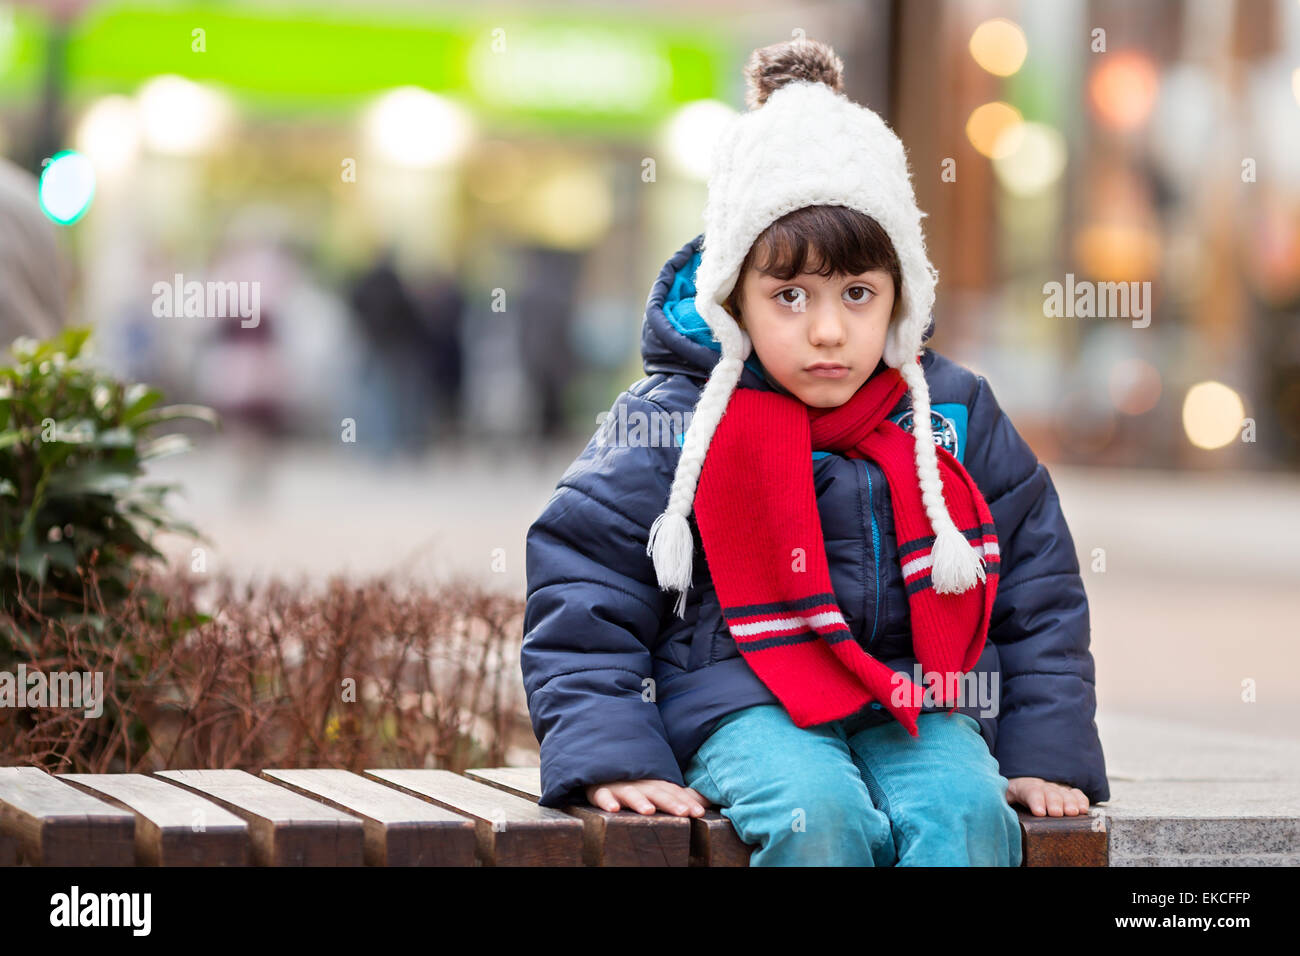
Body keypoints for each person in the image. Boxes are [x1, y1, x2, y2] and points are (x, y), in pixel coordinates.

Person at [521, 39, 1109, 866]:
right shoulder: (676, 421)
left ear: (901, 295)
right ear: (730, 295)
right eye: (789, 296)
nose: (828, 329)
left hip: (915, 700)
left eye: (858, 294)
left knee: (969, 817)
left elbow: (1038, 592)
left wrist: (1046, 752)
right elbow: (586, 584)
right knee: (820, 816)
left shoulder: (951, 411)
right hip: (738, 697)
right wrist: (611, 752)